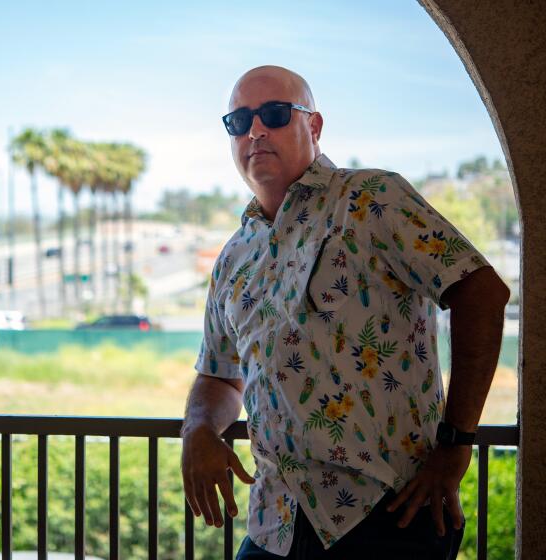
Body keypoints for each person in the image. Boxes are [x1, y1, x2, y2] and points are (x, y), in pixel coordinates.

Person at [180, 65, 509, 559]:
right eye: (239, 120)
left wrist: (457, 442)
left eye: (274, 113)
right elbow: (221, 376)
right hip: (277, 522)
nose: (256, 130)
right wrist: (198, 430)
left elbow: (480, 292)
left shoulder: (371, 199)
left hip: (389, 516)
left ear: (313, 127)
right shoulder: (233, 257)